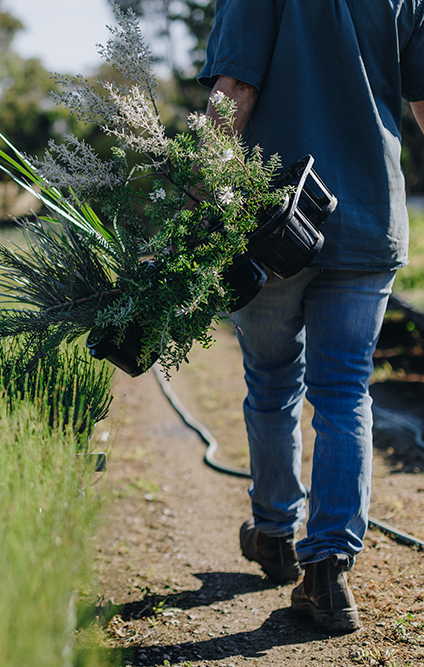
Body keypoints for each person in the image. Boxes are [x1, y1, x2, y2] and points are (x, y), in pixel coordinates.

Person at [198, 0, 424, 633]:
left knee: (272, 382)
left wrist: (198, 196)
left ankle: (274, 535)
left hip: (273, 220)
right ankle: (328, 572)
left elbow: (234, 90)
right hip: (370, 216)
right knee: (345, 389)